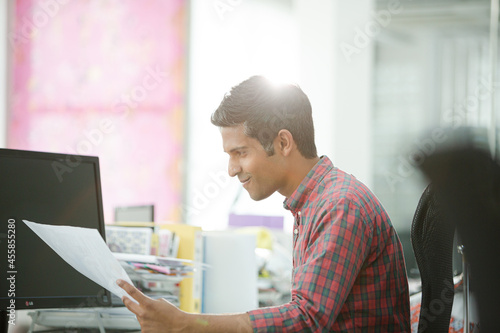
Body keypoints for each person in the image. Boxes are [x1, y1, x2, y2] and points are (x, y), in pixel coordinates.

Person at [117, 75, 410, 332]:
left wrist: (187, 324)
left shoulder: (340, 206)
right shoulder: (314, 203)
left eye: (240, 152)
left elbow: (306, 321)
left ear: (283, 143)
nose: (232, 169)